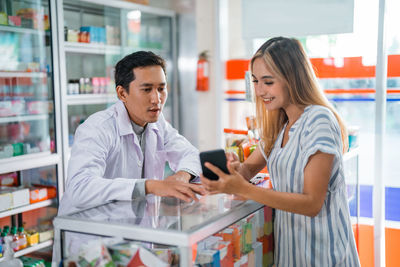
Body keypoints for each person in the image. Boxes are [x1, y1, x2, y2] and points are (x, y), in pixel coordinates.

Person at [201, 37, 360, 266]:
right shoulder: (280, 125)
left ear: (292, 79)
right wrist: (234, 167)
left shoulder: (319, 120)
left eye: (268, 82)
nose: (259, 91)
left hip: (326, 256)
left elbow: (312, 203)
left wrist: (244, 188)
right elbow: (246, 170)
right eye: (255, 81)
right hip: (293, 255)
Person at [59, 51, 204, 215]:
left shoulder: (157, 123)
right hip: (88, 233)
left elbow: (190, 154)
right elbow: (80, 188)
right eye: (147, 89)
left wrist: (182, 176)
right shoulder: (98, 128)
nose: (156, 99)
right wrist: (150, 186)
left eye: (161, 89)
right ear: (122, 93)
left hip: (132, 230)